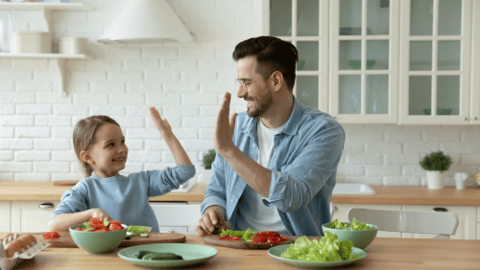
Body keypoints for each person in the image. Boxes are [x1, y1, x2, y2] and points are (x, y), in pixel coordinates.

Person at [196, 36, 345, 237]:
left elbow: (291, 196)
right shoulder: (237, 126)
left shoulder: (324, 131)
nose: (240, 93)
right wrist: (213, 212)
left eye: (246, 82)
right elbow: (217, 190)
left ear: (276, 81)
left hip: (296, 251)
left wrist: (229, 151)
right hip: (240, 246)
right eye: (239, 82)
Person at [48, 108, 195, 232]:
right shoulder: (85, 189)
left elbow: (185, 172)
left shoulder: (142, 182)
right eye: (110, 145)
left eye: (122, 142)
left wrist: (167, 134)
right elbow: (54, 225)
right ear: (88, 157)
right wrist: (91, 213)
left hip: (148, 254)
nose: (121, 149)